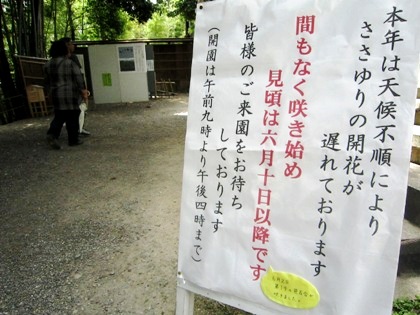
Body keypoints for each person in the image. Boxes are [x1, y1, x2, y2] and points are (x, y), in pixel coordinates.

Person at [45, 40, 89, 149]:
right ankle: (73, 140)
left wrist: (48, 94)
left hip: (55, 93)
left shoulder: (47, 64)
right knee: (73, 115)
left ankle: (52, 134)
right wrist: (83, 91)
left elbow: (46, 82)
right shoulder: (69, 63)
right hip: (70, 93)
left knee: (59, 115)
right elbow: (78, 77)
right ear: (64, 49)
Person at [60, 37, 91, 136]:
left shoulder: (57, 60)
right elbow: (79, 75)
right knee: (79, 110)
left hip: (63, 90)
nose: (73, 46)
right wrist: (83, 89)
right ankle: (78, 130)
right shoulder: (72, 58)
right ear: (67, 46)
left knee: (73, 111)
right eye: (71, 44)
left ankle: (78, 129)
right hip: (73, 90)